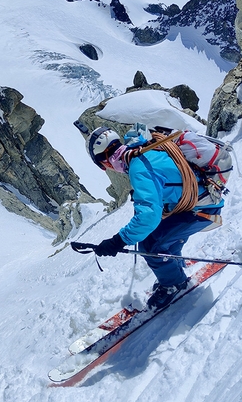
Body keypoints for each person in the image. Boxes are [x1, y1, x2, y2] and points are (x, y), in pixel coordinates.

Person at [77, 126, 224, 310]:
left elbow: (148, 217)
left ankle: (174, 284)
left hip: (201, 210)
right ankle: (173, 270)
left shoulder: (138, 167)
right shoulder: (146, 149)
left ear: (105, 162)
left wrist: (117, 241)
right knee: (161, 238)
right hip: (202, 200)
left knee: (150, 245)